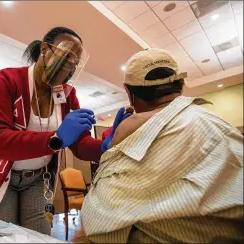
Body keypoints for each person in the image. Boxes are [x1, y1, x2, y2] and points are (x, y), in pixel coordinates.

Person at [0, 27, 131, 235]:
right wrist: (54, 139)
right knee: (5, 237)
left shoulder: (66, 94)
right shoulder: (7, 80)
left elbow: (78, 143)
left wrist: (103, 145)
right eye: (67, 56)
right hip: (5, 177)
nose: (71, 65)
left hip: (39, 179)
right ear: (45, 49)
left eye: (76, 62)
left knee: (38, 235)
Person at [81, 48, 244, 243]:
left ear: (129, 93)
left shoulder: (129, 136)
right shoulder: (221, 128)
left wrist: (115, 145)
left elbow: (97, 220)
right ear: (181, 84)